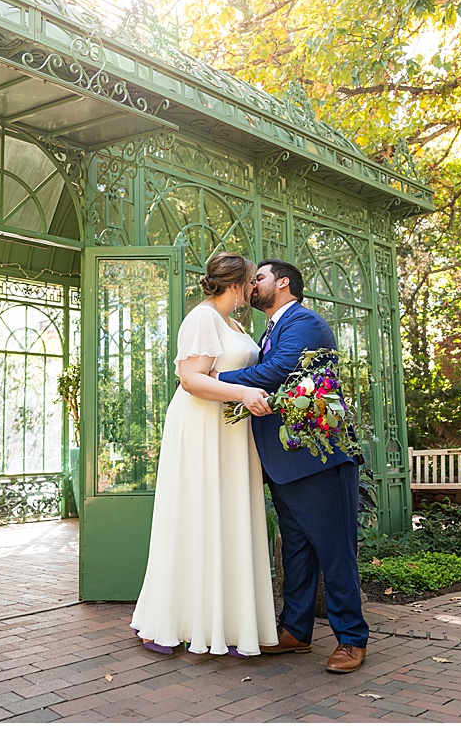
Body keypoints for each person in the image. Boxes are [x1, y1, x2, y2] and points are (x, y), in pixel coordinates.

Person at [216, 259, 369, 673]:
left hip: (318, 460)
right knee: (297, 551)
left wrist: (215, 381)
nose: (252, 285)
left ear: (282, 284)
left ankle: (352, 638)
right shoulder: (268, 329)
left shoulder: (305, 321)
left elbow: (280, 371)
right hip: (284, 462)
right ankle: (296, 632)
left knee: (335, 552)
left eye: (259, 277)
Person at [130, 252, 279, 657]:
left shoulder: (233, 322)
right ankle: (175, 619)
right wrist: (245, 393)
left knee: (227, 518)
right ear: (236, 284)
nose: (253, 288)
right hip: (201, 427)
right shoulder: (202, 318)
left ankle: (227, 623)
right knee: (195, 516)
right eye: (250, 280)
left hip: (230, 432)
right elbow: (191, 379)